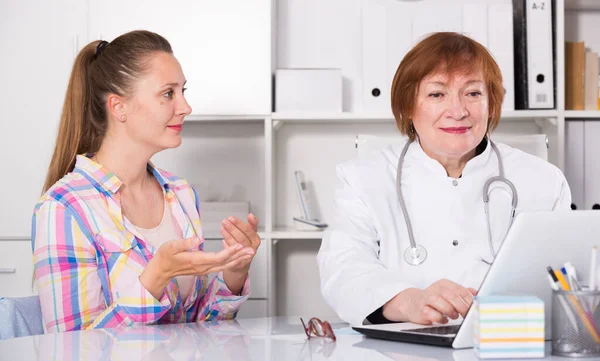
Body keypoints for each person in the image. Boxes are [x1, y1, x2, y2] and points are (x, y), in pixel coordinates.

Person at [317, 32, 571, 327]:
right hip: (401, 350)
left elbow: (565, 277)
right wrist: (408, 302)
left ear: (491, 103)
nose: (459, 111)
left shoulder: (544, 181)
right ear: (408, 107)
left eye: (473, 93)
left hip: (507, 344)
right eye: (437, 94)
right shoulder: (362, 178)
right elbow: (342, 267)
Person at [32, 30, 261, 332]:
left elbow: (201, 330)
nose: (185, 107)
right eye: (168, 93)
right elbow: (72, 347)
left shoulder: (181, 194)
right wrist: (156, 277)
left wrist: (234, 271)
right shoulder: (64, 208)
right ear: (118, 107)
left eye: (183, 91)